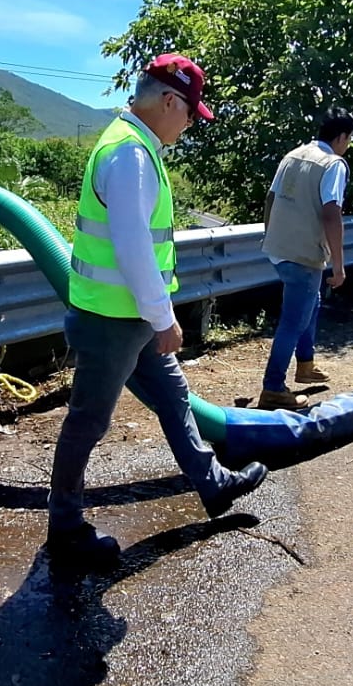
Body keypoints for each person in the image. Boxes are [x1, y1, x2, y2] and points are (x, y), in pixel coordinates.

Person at [47, 53, 268, 568]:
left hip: (129, 315)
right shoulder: (130, 156)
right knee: (88, 421)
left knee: (174, 398)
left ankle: (213, 485)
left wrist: (154, 313)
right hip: (113, 319)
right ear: (169, 101)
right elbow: (132, 248)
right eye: (191, 113)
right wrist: (162, 316)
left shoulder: (137, 147)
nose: (191, 124)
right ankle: (65, 529)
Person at [258, 108, 353, 410]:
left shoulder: (293, 155)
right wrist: (339, 264)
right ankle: (273, 387)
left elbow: (271, 199)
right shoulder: (333, 164)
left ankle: (305, 363)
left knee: (309, 303)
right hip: (304, 254)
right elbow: (331, 213)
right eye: (349, 138)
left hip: (278, 248)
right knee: (293, 320)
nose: (348, 144)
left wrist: (271, 236)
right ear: (341, 136)